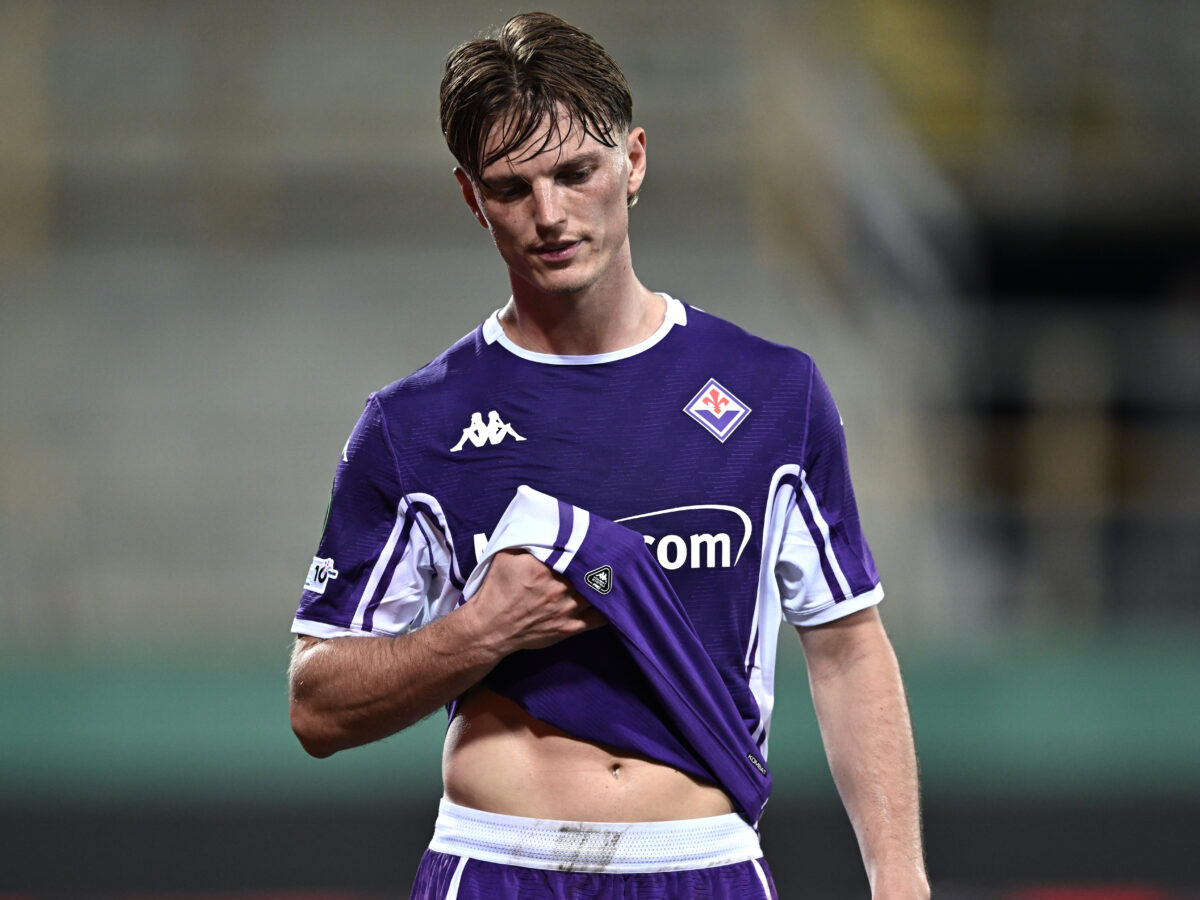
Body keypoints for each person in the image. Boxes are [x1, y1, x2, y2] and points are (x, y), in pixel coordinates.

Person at [288, 11, 929, 899]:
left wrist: (901, 883)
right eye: (511, 188)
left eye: (575, 172)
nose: (548, 215)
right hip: (496, 864)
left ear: (633, 161)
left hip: (700, 865)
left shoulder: (775, 394)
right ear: (472, 198)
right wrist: (481, 630)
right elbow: (315, 706)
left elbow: (848, 646)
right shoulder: (415, 424)